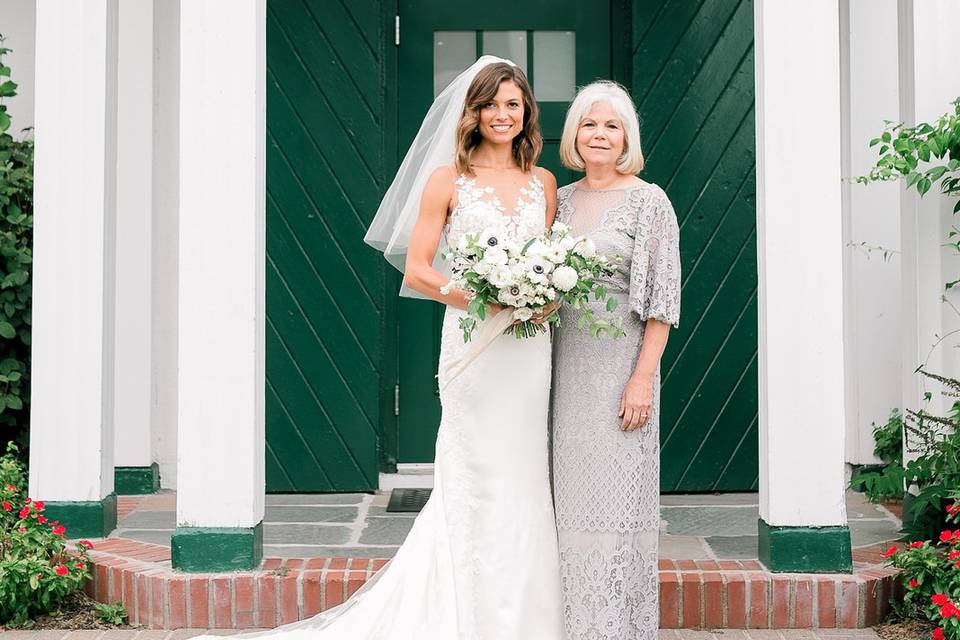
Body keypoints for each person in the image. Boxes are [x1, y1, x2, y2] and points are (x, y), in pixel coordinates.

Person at [193, 57, 564, 640]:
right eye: (491, 103)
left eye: (512, 104)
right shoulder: (448, 179)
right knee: (480, 470)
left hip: (528, 348)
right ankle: (468, 611)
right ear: (473, 112)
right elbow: (417, 270)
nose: (502, 114)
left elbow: (554, 261)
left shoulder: (543, 182)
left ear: (527, 113)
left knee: (524, 471)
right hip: (475, 343)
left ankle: (527, 615)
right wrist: (483, 299)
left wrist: (542, 299)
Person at [550, 81, 681, 640]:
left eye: (611, 126)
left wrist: (641, 381)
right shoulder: (559, 200)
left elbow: (662, 303)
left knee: (615, 511)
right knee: (566, 509)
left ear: (627, 136)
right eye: (589, 124)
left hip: (618, 377)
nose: (599, 135)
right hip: (559, 373)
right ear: (573, 134)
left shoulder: (649, 201)